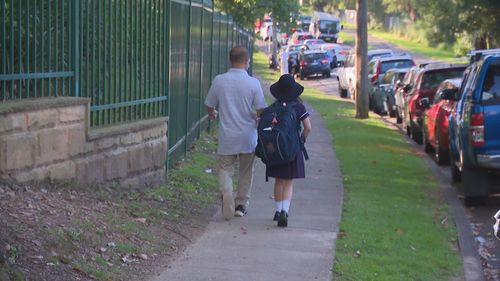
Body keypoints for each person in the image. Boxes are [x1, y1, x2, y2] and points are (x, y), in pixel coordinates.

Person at [205, 46, 267, 220]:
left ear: (230, 60)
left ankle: (227, 192)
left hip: (227, 136)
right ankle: (241, 204)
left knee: (225, 168)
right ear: (247, 62)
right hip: (248, 136)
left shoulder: (219, 81)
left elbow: (209, 104)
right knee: (246, 171)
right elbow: (261, 109)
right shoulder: (253, 83)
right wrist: (256, 117)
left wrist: (213, 113)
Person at [266, 74, 311, 227]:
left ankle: (278, 211)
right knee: (289, 182)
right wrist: (301, 139)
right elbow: (308, 127)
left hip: (276, 150)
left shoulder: (274, 107)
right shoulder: (298, 107)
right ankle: (285, 211)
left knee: (278, 181)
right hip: (292, 149)